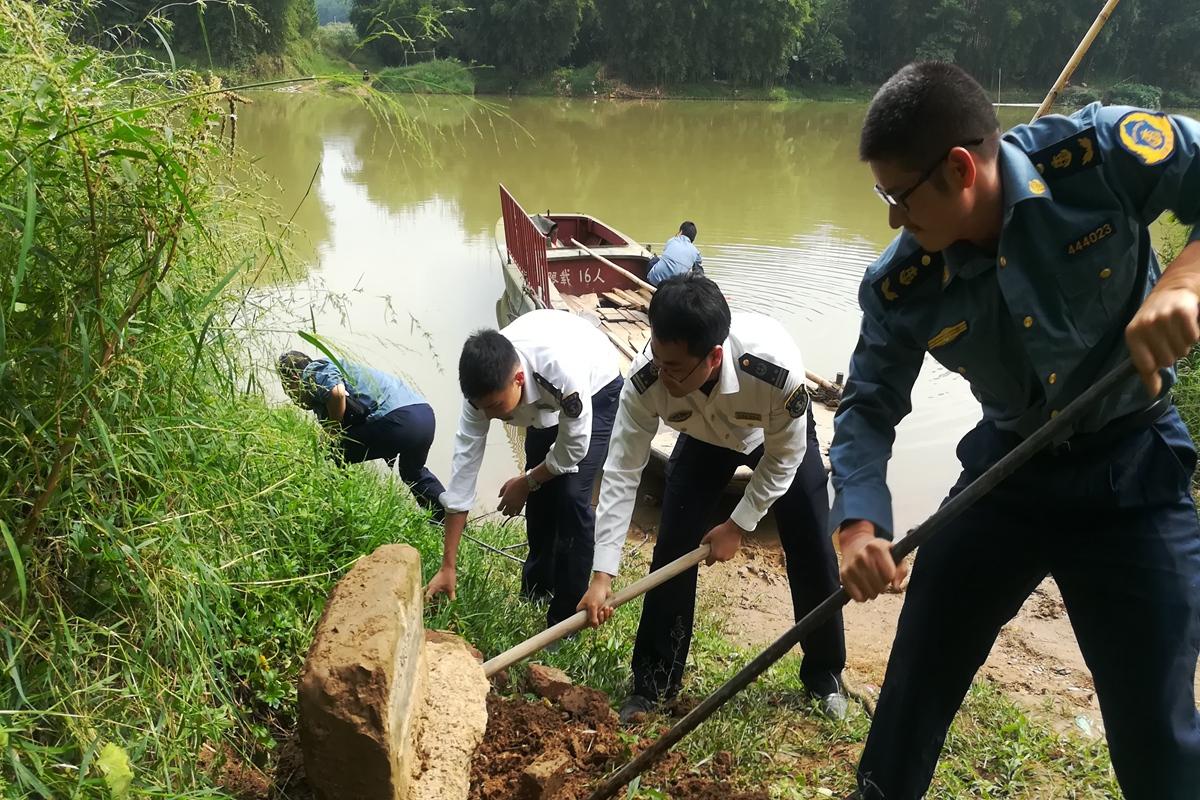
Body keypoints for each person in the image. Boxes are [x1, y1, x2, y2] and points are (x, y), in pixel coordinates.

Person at [830, 62, 1200, 799]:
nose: (894, 220)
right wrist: (857, 528)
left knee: (1157, 726)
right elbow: (868, 405)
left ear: (961, 169)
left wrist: (1185, 279)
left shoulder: (1099, 155)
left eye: (898, 197)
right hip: (1009, 477)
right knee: (918, 673)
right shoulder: (903, 285)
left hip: (1134, 470)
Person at [578, 274, 847, 723]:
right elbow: (623, 472)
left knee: (813, 545)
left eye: (675, 368)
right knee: (672, 548)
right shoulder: (647, 379)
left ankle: (824, 674)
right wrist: (602, 572)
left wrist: (738, 524)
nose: (662, 375)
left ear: (713, 356)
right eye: (658, 360)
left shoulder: (775, 372)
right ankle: (654, 685)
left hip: (771, 433)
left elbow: (785, 458)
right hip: (703, 438)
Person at [424, 310, 623, 628]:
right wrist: (448, 565)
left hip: (597, 386)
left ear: (518, 380)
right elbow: (463, 475)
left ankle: (565, 620)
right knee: (542, 495)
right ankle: (536, 590)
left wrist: (527, 481)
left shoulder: (562, 374)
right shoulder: (482, 396)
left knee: (572, 497)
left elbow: (572, 451)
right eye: (482, 408)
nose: (487, 416)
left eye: (495, 408)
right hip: (541, 400)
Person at [278, 350, 445, 517]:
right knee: (413, 472)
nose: (291, 397)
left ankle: (339, 510)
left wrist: (332, 430)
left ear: (294, 378)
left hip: (399, 418)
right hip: (424, 415)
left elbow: (336, 393)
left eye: (288, 389)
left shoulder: (312, 372)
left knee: (330, 452)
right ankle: (445, 520)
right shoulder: (332, 372)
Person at [647, 221, 704, 286]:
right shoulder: (696, 252)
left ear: (681, 232)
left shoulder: (672, 240)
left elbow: (665, 256)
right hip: (676, 288)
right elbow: (699, 273)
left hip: (655, 281)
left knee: (654, 260)